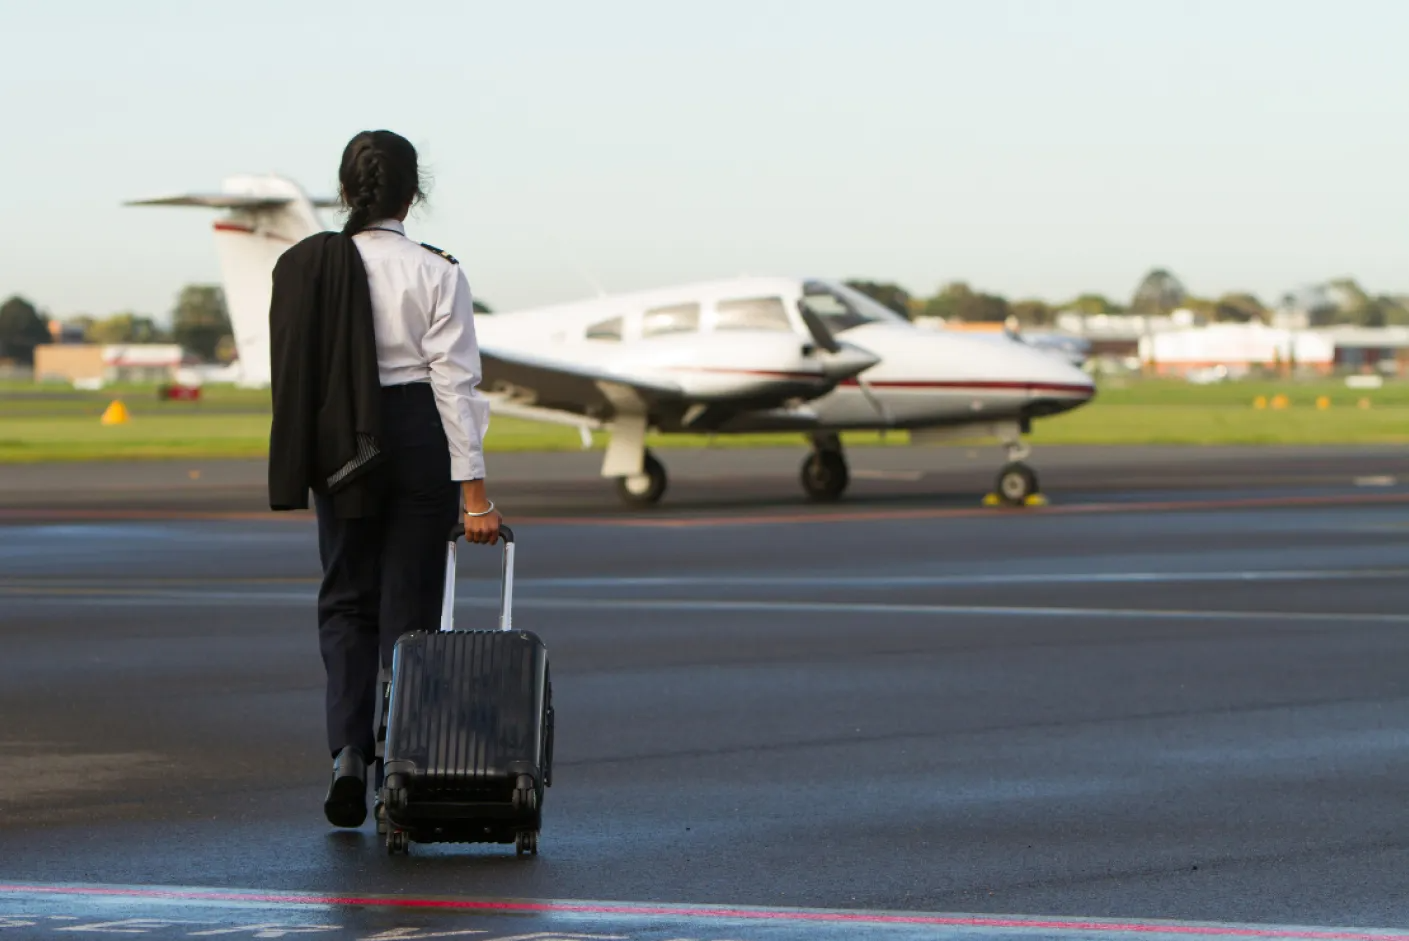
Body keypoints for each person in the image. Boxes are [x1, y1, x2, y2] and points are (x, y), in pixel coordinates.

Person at [266, 129, 502, 829]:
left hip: (342, 440)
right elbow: (456, 388)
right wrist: (477, 494)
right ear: (412, 193)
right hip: (414, 435)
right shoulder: (437, 271)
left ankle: (346, 752)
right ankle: (399, 761)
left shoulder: (308, 265)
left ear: (346, 190)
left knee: (346, 600)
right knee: (410, 610)